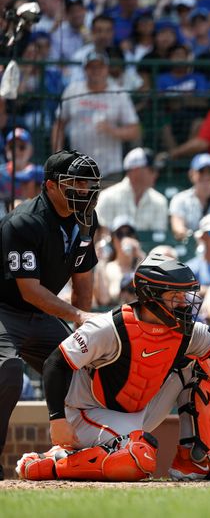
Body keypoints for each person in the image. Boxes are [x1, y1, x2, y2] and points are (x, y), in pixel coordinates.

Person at [15, 253, 210, 482]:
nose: (185, 304)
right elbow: (55, 362)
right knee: (138, 461)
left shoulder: (185, 330)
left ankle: (193, 460)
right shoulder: (109, 326)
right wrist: (57, 420)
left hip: (140, 411)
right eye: (176, 297)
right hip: (89, 413)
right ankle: (51, 464)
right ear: (151, 296)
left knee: (204, 363)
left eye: (186, 296)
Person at [0, 150, 102, 481]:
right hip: (5, 309)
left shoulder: (86, 219)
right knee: (8, 371)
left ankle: (83, 454)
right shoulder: (24, 222)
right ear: (50, 186)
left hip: (41, 314)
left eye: (88, 183)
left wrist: (81, 332)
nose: (84, 190)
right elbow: (28, 290)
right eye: (75, 182)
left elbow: (83, 280)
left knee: (86, 365)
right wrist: (79, 314)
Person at [52, 52, 141, 178]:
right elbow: (59, 125)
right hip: (78, 168)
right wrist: (58, 156)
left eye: (100, 67)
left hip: (110, 170)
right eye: (91, 67)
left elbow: (135, 131)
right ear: (85, 70)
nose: (96, 71)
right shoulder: (72, 90)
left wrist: (112, 130)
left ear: (107, 69)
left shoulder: (119, 94)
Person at [95, 147, 169, 233]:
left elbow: (158, 238)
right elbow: (103, 235)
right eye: (151, 170)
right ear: (136, 171)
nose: (156, 174)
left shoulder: (160, 201)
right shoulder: (107, 197)